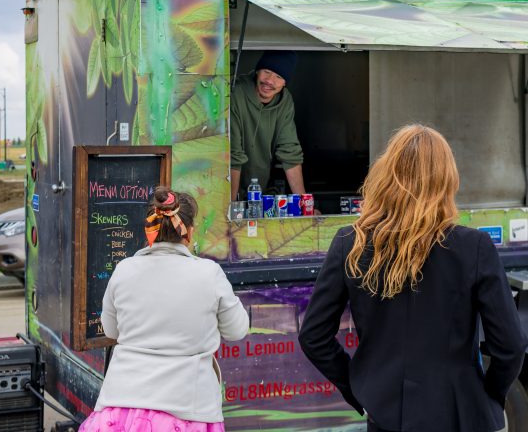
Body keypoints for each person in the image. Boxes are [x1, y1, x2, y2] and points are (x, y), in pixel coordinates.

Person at [298, 124, 527, 432]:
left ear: (385, 175)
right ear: (446, 180)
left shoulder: (349, 243)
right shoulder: (473, 247)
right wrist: (489, 395)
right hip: (459, 414)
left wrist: (360, 387)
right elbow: (510, 346)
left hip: (385, 414)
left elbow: (313, 335)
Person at [79, 186, 250, 432]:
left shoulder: (124, 269)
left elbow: (111, 330)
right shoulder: (209, 273)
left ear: (150, 229)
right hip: (187, 410)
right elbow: (236, 330)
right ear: (189, 231)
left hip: (121, 406)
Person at [230, 50, 307, 201]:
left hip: (259, 192)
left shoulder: (285, 101)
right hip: (228, 190)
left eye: (278, 76)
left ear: (285, 83)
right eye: (267, 71)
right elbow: (233, 154)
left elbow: (290, 152)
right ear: (257, 71)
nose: (270, 81)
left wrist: (304, 205)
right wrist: (230, 208)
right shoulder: (235, 94)